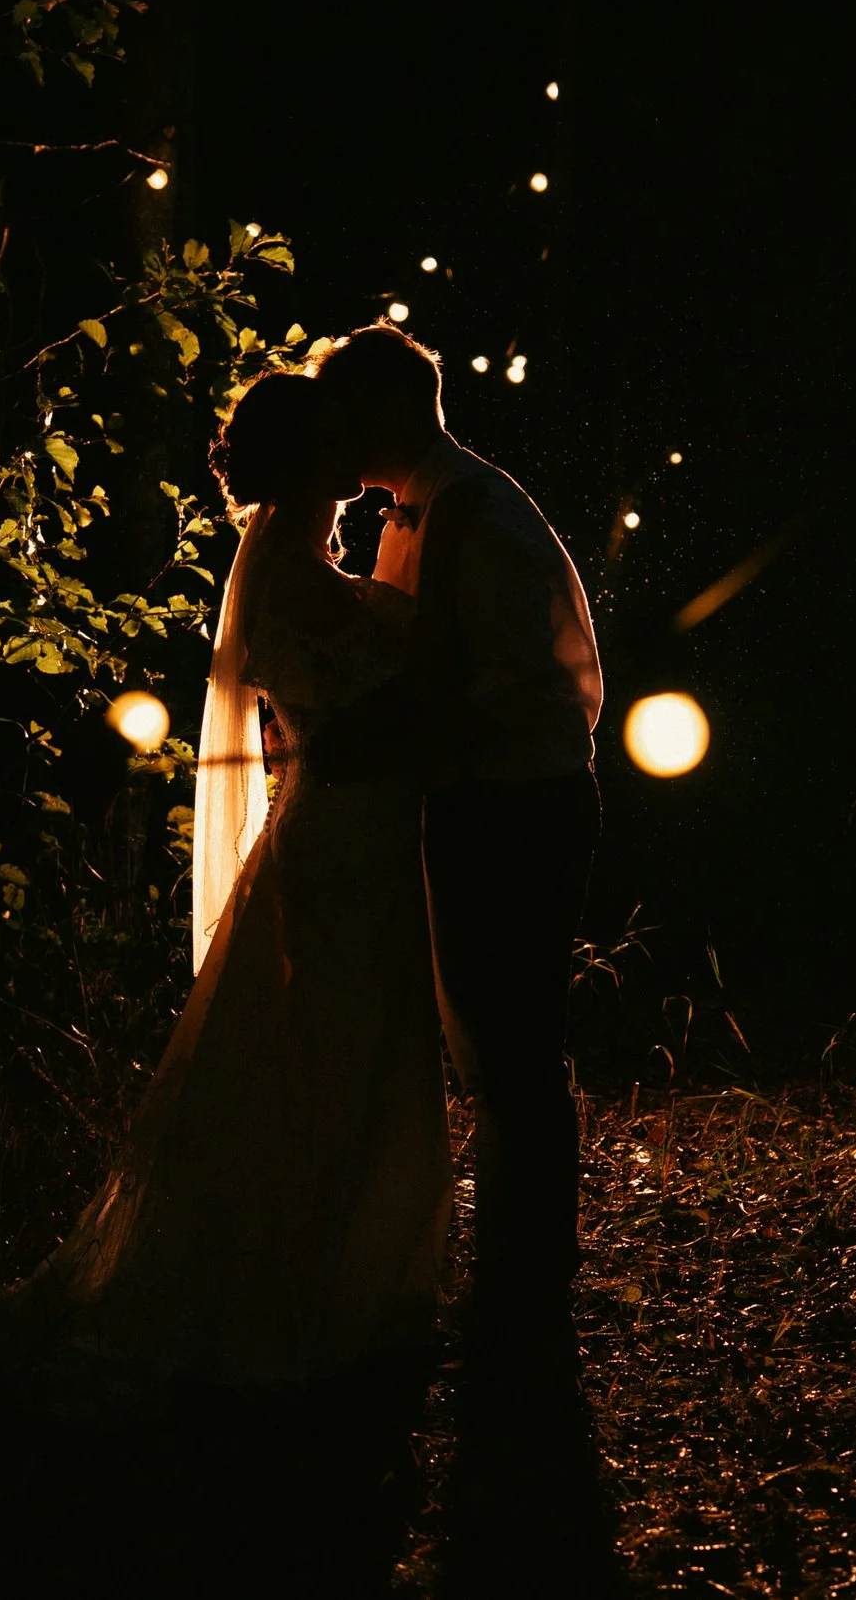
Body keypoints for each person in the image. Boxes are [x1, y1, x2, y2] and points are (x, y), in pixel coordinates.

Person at [0, 371, 450, 1405]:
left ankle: (347, 1281)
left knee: (342, 1056)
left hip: (356, 830)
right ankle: (310, 1295)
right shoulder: (291, 575)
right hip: (344, 838)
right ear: (296, 462)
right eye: (328, 438)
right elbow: (363, 716)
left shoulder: (300, 564)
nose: (348, 451)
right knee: (330, 1060)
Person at [312, 324, 604, 1335]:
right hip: (478, 798)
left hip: (519, 802)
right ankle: (514, 1264)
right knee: (485, 1041)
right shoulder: (417, 512)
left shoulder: (476, 511)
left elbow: (512, 682)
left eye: (346, 413)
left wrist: (381, 742)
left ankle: (531, 1274)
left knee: (513, 1037)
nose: (334, 435)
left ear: (393, 407)